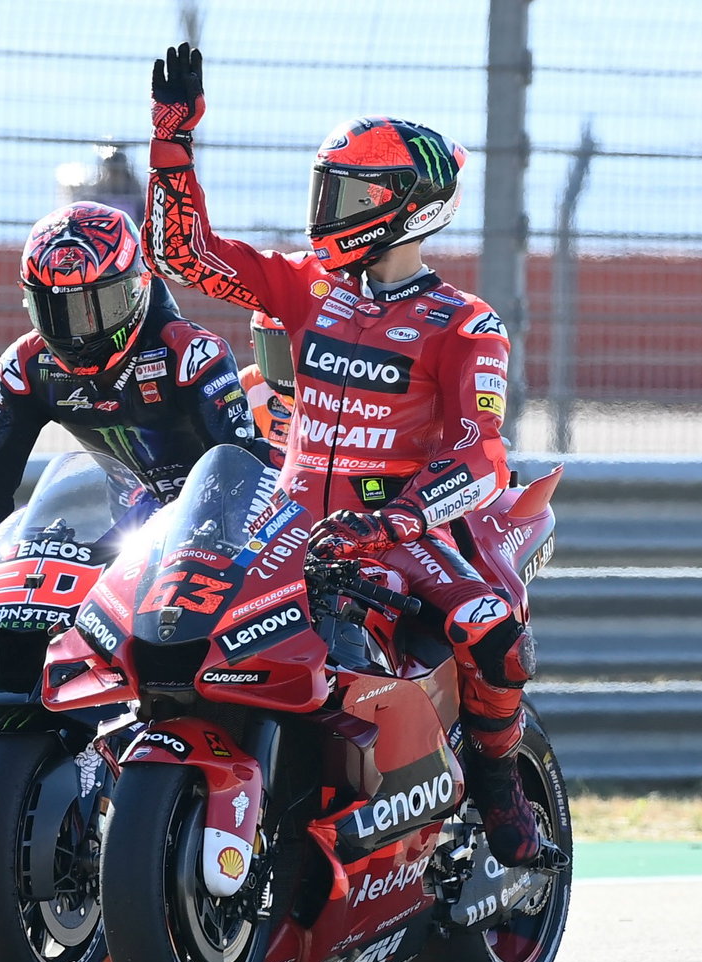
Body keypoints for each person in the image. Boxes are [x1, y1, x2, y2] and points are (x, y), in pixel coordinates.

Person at [142, 44, 547, 867]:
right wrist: (172, 142)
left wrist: (395, 518)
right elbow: (182, 257)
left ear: (410, 207)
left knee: (492, 632)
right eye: (328, 187)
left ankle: (497, 778)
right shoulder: (304, 286)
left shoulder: (465, 324)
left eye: (352, 193)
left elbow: (481, 460)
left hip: (404, 536)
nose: (329, 208)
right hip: (286, 522)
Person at [0, 199, 255, 605]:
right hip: (119, 537)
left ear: (138, 284)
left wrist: (222, 548)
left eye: (99, 305)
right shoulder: (26, 365)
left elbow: (245, 471)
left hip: (206, 541)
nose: (78, 332)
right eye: (57, 310)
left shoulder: (191, 353)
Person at [240, 310, 294, 465]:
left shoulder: (337, 387)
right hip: (266, 482)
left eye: (294, 347)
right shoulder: (246, 383)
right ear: (254, 346)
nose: (287, 360)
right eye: (277, 351)